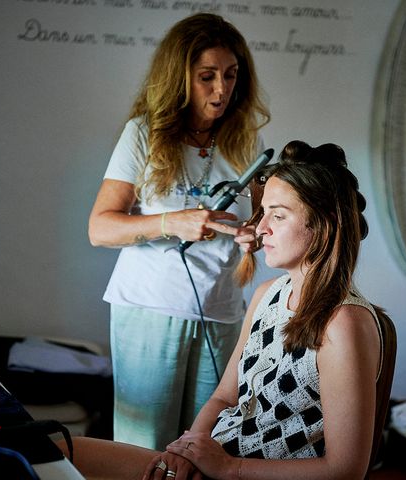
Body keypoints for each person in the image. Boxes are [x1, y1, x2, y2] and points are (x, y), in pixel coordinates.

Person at [68, 140, 384, 480]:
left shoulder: (344, 324)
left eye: (277, 215)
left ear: (325, 222)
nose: (261, 228)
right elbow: (223, 397)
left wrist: (229, 468)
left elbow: (346, 469)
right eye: (263, 213)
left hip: (237, 471)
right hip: (212, 461)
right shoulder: (268, 296)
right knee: (58, 448)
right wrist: (187, 449)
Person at [87, 12, 271, 450]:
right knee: (144, 448)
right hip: (150, 309)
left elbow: (259, 224)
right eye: (207, 76)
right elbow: (100, 228)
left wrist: (253, 235)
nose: (221, 89)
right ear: (180, 77)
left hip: (223, 313)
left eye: (230, 75)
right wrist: (173, 221)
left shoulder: (248, 143)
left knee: (207, 445)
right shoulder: (143, 135)